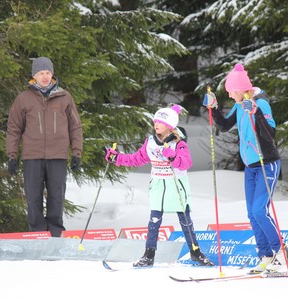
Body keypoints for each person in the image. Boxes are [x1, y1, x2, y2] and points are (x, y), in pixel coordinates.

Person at [105, 105, 214, 267]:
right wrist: (117, 158)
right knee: (154, 220)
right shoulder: (150, 142)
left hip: (176, 185)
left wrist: (173, 157)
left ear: (169, 126)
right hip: (158, 185)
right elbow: (137, 159)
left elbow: (186, 163)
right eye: (155, 121)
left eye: (161, 123)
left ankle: (195, 252)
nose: (156, 125)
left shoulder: (179, 143)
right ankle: (149, 254)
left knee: (185, 220)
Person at [203, 63, 287, 273]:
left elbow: (270, 135)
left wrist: (256, 113)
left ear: (241, 90)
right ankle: (266, 255)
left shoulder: (261, 104)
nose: (231, 96)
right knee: (252, 213)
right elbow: (224, 126)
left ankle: (281, 253)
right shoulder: (240, 105)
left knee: (260, 210)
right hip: (250, 167)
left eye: (232, 92)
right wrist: (213, 108)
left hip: (266, 163)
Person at [6, 56, 83, 237]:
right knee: (33, 198)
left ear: (52, 74)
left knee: (57, 197)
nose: (45, 76)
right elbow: (13, 129)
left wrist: (77, 153)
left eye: (48, 72)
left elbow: (75, 126)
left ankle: (55, 234)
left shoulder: (64, 97)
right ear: (34, 75)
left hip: (58, 156)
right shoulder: (23, 99)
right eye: (41, 73)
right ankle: (37, 234)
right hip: (32, 156)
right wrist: (11, 155)